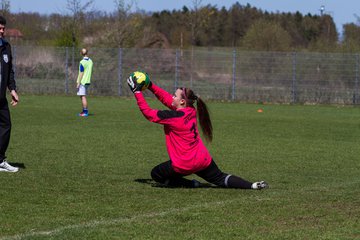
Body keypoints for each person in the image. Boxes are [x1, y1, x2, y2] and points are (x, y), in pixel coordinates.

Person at [127, 75, 268, 189]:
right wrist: (150, 85)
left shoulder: (175, 117)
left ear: (182, 101)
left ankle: (190, 183)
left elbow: (148, 113)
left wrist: (137, 92)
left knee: (157, 175)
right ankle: (253, 185)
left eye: (175, 96)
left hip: (183, 163)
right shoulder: (191, 111)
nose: (172, 97)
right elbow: (168, 100)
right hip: (202, 160)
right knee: (220, 178)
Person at [0, 16, 19, 173]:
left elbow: (9, 71)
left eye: (3, 28)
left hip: (1, 97)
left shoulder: (6, 47)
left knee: (6, 125)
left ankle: (0, 160)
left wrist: (12, 89)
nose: (1, 30)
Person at [76, 48, 93, 117]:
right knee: (81, 96)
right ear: (87, 53)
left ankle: (85, 112)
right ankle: (83, 111)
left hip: (83, 81)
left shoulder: (82, 62)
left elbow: (81, 73)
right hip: (88, 81)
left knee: (83, 96)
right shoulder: (90, 61)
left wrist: (78, 82)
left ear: (81, 53)